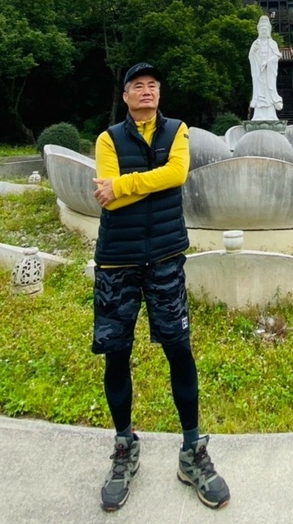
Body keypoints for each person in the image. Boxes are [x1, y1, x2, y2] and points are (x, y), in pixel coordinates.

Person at [92, 62, 230, 513]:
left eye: (153, 85)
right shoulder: (109, 138)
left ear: (159, 94)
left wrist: (124, 186)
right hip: (118, 260)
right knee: (117, 352)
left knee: (179, 347)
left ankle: (192, 451)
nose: (147, 92)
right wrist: (128, 187)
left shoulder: (178, 131)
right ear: (126, 95)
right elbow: (110, 190)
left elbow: (176, 175)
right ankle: (124, 447)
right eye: (138, 86)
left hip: (166, 257)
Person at [248, 15, 283, 121]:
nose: (263, 31)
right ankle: (258, 115)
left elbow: (277, 55)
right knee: (260, 91)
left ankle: (271, 115)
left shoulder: (272, 43)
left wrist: (268, 62)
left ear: (269, 30)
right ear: (259, 30)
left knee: (269, 90)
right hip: (259, 73)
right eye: (262, 29)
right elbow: (251, 56)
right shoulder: (255, 43)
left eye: (265, 29)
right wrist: (254, 52)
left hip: (269, 73)